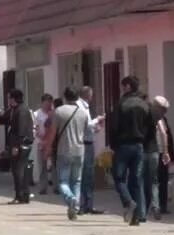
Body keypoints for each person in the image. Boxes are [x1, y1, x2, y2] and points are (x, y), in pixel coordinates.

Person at [109, 76, 153, 226]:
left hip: (123, 145)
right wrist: (145, 144)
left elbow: (114, 127)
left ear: (127, 87)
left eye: (123, 86)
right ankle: (139, 215)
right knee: (136, 180)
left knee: (119, 178)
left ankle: (128, 202)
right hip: (139, 146)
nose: (122, 89)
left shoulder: (122, 103)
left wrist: (113, 145)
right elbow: (151, 127)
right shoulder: (145, 104)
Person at [51, 87, 88, 220]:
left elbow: (53, 132)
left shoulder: (59, 111)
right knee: (77, 181)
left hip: (64, 150)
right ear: (77, 97)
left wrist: (48, 147)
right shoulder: (83, 113)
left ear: (64, 97)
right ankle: (76, 206)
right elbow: (85, 131)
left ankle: (70, 198)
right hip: (79, 150)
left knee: (63, 181)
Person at [76, 86, 105, 214]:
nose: (92, 98)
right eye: (91, 95)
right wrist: (98, 120)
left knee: (89, 175)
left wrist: (95, 129)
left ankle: (88, 204)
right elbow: (86, 124)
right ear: (87, 95)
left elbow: (88, 127)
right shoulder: (81, 107)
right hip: (84, 144)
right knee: (84, 174)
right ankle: (83, 204)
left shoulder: (84, 106)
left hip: (87, 141)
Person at [145, 96, 172, 220]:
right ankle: (160, 205)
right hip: (157, 151)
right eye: (164, 109)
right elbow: (164, 133)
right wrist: (166, 151)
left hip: (154, 151)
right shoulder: (158, 118)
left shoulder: (151, 116)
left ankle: (155, 205)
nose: (165, 112)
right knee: (158, 179)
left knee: (154, 180)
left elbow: (164, 134)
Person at [5, 90, 34, 204]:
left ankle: (20, 195)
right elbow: (6, 120)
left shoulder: (21, 110)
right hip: (21, 143)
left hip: (21, 144)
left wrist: (16, 146)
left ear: (14, 99)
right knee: (21, 170)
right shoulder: (16, 110)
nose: (9, 100)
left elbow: (21, 130)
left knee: (18, 171)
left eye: (10, 98)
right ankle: (24, 194)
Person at [33, 94, 55, 195]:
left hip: (53, 142)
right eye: (47, 103)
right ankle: (43, 187)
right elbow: (34, 129)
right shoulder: (37, 114)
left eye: (50, 103)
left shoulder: (54, 113)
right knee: (42, 166)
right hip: (41, 142)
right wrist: (40, 140)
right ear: (42, 103)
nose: (49, 105)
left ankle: (57, 186)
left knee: (55, 165)